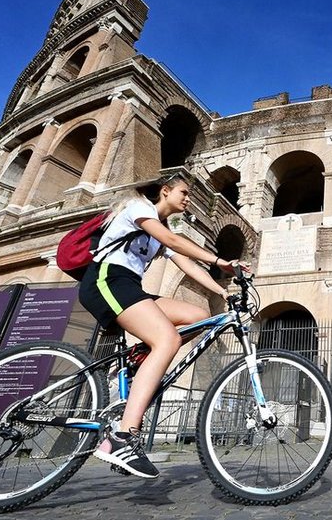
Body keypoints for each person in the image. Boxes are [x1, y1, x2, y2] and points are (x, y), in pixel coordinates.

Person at [78, 173, 244, 478]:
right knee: (166, 340)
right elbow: (174, 241)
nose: (188, 198)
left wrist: (223, 290)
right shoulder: (138, 208)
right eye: (183, 192)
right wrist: (220, 260)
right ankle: (123, 437)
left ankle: (140, 360)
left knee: (197, 316)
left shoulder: (160, 230)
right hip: (106, 279)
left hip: (131, 287)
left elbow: (187, 264)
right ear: (164, 191)